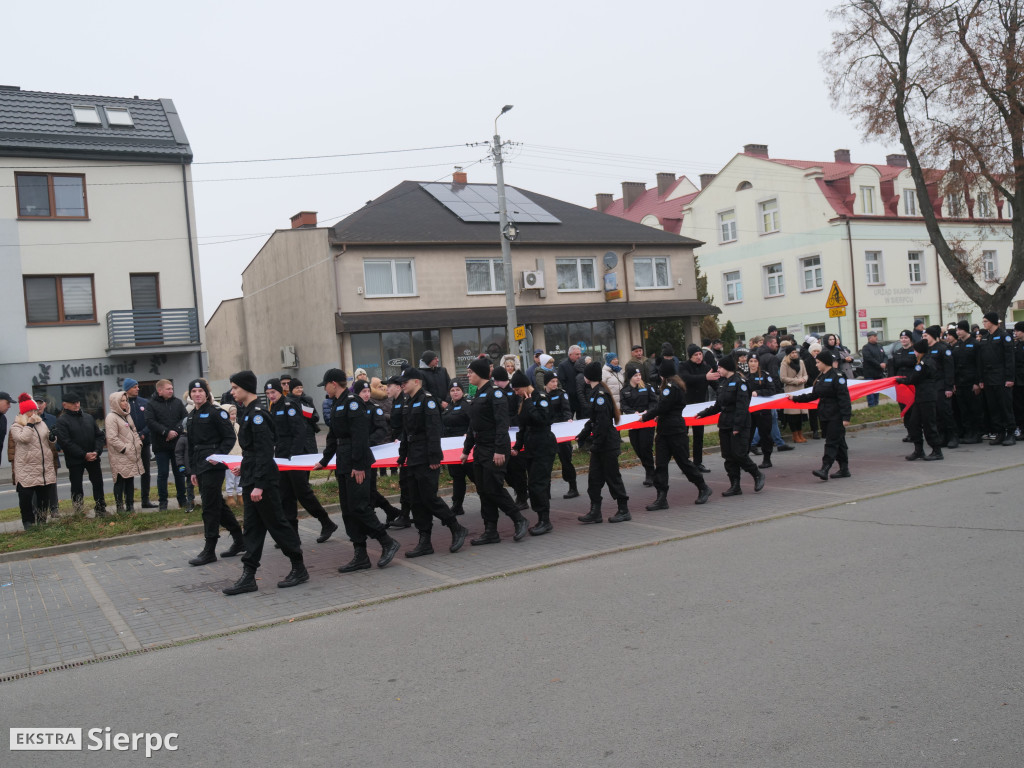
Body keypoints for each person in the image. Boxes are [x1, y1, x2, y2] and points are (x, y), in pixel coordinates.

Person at [222, 370, 310, 595]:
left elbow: (264, 452)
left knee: (278, 525)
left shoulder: (258, 415)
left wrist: (259, 484)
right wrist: (245, 467)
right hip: (253, 476)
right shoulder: (248, 412)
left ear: (246, 389)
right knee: (252, 528)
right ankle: (249, 576)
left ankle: (299, 568)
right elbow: (253, 452)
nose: (232, 392)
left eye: (235, 388)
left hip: (263, 481)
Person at [314, 368, 401, 572]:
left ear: (333, 383)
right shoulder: (338, 403)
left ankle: (387, 541)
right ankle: (360, 555)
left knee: (360, 507)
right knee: (348, 510)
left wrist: (359, 465)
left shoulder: (352, 402)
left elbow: (360, 436)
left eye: (325, 385)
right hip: (345, 462)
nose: (324, 389)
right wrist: (324, 460)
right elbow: (333, 436)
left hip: (356, 462)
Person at [397, 368, 468, 557]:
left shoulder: (427, 400)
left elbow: (434, 430)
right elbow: (406, 432)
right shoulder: (408, 401)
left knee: (429, 497)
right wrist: (402, 455)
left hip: (426, 456)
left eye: (406, 381)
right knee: (416, 501)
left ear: (417, 382)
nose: (402, 384)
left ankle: (456, 527)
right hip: (413, 456)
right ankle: (424, 541)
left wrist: (435, 457)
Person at [459, 357, 529, 545]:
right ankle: (490, 530)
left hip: (495, 448)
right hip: (481, 448)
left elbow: (502, 424)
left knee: (493, 487)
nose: (468, 375)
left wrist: (499, 450)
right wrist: (466, 450)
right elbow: (473, 426)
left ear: (480, 374)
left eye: (471, 372)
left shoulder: (495, 394)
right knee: (483, 489)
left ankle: (519, 519)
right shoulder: (478, 394)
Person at [265, 378, 338, 545]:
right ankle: (292, 535)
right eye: (268, 393)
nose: (271, 396)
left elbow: (299, 432)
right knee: (286, 495)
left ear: (280, 391)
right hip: (282, 457)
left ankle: (326, 522)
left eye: (273, 392)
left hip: (294, 456)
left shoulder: (289, 406)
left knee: (302, 493)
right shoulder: (273, 407)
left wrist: (294, 457)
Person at [181, 379, 245, 565]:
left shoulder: (216, 413)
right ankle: (240, 540)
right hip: (200, 464)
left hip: (213, 465)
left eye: (201, 391)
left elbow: (230, 437)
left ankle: (209, 550)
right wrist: (192, 470)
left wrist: (219, 457)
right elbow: (191, 446)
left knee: (209, 506)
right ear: (190, 395)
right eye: (194, 391)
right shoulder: (192, 416)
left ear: (207, 393)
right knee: (217, 503)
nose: (197, 394)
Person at [642, 359, 712, 509]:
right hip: (665, 431)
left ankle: (703, 487)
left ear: (663, 374)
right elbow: (666, 408)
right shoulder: (673, 385)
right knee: (660, 465)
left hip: (674, 431)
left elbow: (663, 406)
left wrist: (646, 416)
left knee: (684, 462)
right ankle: (661, 497)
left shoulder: (670, 387)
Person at [697, 357, 766, 496]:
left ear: (726, 368)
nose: (718, 370)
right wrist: (703, 413)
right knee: (728, 456)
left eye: (720, 367)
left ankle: (757, 474)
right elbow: (718, 405)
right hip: (725, 424)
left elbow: (742, 406)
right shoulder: (723, 383)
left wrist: (737, 427)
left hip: (739, 424)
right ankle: (735, 485)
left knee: (739, 454)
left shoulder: (740, 383)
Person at [575, 362, 630, 524]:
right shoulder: (596, 392)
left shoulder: (599, 395)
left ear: (587, 377)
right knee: (594, 479)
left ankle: (623, 510)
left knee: (613, 478)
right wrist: (583, 434)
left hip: (606, 444)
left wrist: (596, 445)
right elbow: (594, 421)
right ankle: (595, 512)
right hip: (601, 444)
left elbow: (603, 424)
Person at [791, 351, 852, 481]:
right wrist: (795, 398)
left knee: (831, 443)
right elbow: (813, 395)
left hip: (837, 416)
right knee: (839, 443)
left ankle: (825, 469)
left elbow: (844, 398)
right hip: (825, 415)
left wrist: (846, 417)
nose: (816, 364)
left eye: (818, 362)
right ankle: (844, 469)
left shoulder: (838, 376)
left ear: (825, 362)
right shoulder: (821, 377)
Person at [510, 370, 557, 535]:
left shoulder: (540, 398)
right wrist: (517, 446)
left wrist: (529, 405)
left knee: (539, 485)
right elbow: (522, 427)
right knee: (533, 485)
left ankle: (545, 520)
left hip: (543, 446)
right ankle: (541, 518)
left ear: (524, 386)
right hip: (531, 448)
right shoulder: (523, 400)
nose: (516, 393)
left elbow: (542, 420)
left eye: (517, 390)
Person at [10, 394, 58, 528]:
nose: (34, 413)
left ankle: (42, 521)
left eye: (35, 410)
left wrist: (52, 437)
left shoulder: (41, 423)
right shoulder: (16, 425)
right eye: (31, 411)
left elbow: (49, 440)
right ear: (24, 412)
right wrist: (30, 425)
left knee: (43, 497)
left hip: (43, 467)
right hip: (26, 467)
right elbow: (23, 438)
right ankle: (28, 523)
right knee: (26, 498)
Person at [55, 392, 106, 516]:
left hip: (93, 456)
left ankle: (100, 508)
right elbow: (65, 443)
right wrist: (84, 454)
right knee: (77, 486)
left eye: (78, 402)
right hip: (75, 460)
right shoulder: (62, 421)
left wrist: (96, 451)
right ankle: (79, 511)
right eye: (73, 403)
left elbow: (99, 436)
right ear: (65, 405)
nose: (77, 405)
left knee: (98, 483)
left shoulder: (88, 417)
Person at [145, 379, 189, 510]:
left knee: (180, 472)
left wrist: (176, 430)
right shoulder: (151, 405)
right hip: (160, 446)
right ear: (160, 390)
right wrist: (165, 432)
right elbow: (150, 421)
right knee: (162, 474)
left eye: (172, 389)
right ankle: (163, 502)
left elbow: (185, 418)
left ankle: (182, 499)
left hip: (177, 445)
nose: (171, 391)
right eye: (168, 389)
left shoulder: (177, 403)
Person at [898, 340, 944, 461]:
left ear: (920, 351)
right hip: (921, 397)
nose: (914, 352)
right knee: (914, 423)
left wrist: (901, 380)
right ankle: (919, 450)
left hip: (927, 397)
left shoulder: (924, 363)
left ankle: (937, 451)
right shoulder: (925, 361)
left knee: (929, 425)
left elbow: (914, 378)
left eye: (915, 350)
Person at [678, 344, 721, 472]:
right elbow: (686, 379)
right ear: (690, 356)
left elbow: (715, 384)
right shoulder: (683, 366)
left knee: (699, 435)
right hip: (685, 406)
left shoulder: (706, 367)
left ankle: (698, 463)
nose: (698, 357)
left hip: (700, 407)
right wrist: (704, 377)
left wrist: (724, 393)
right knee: (683, 436)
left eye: (700, 354)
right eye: (695, 355)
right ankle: (684, 462)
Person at [977, 311, 1016, 446]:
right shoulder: (985, 338)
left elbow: (1010, 359)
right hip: (988, 378)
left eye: (985, 321)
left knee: (1005, 406)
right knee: (993, 407)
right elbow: (981, 360)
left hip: (1001, 377)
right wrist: (981, 379)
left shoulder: (1004, 336)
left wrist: (1010, 378)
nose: (984, 324)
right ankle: (999, 432)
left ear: (992, 322)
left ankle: (1010, 433)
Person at [105, 390, 144, 515]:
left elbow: (134, 431)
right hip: (120, 455)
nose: (125, 403)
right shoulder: (111, 417)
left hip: (131, 454)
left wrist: (138, 444)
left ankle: (130, 506)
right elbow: (112, 438)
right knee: (120, 482)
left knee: (130, 481)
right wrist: (125, 449)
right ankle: (120, 507)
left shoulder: (127, 415)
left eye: (126, 400)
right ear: (115, 402)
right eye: (122, 401)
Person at [544, 371, 579, 498]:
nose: (555, 384)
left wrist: (568, 419)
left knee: (566, 460)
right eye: (552, 381)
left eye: (556, 381)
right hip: (548, 433)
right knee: (546, 463)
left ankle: (573, 487)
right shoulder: (540, 395)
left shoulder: (561, 394)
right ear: (546, 383)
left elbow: (566, 410)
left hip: (562, 433)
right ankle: (546, 491)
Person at [620, 369, 656, 486]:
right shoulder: (624, 391)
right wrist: (632, 412)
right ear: (630, 377)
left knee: (646, 447)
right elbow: (623, 405)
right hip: (633, 422)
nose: (638, 377)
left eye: (640, 375)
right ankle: (649, 469)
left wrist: (648, 411)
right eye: (635, 375)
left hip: (647, 420)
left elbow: (654, 401)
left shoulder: (647, 387)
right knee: (637, 447)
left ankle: (651, 473)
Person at [441, 380, 473, 516]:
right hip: (452, 448)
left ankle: (490, 500)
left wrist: (468, 433)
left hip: (465, 447)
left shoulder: (466, 406)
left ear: (462, 391)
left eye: (458, 390)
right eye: (452, 391)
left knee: (475, 476)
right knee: (457, 477)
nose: (455, 393)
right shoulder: (448, 407)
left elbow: (473, 423)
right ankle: (457, 505)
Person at [923, 325, 957, 448]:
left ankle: (952, 436)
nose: (924, 338)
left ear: (933, 336)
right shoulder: (925, 349)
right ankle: (941, 436)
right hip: (931, 385)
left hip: (942, 384)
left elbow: (949, 369)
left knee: (945, 411)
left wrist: (949, 386)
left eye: (926, 335)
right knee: (935, 412)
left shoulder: (943, 348)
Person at [123, 378, 155, 508]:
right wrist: (132, 436)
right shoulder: (123, 403)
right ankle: (129, 503)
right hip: (129, 444)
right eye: (134, 387)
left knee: (145, 472)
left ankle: (145, 500)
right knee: (129, 473)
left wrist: (143, 433)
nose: (138, 388)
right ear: (127, 389)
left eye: (137, 386)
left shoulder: (144, 403)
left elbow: (150, 421)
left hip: (144, 442)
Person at [951, 321, 984, 444]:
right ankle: (968, 432)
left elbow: (979, 364)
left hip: (971, 382)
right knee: (963, 409)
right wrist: (953, 382)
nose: (958, 332)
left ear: (966, 330)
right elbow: (953, 365)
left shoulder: (975, 344)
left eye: (960, 330)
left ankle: (977, 433)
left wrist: (977, 382)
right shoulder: (957, 345)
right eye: (957, 330)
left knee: (974, 409)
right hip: (960, 382)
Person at [746, 356, 775, 468]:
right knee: (747, 435)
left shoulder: (764, 375)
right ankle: (746, 460)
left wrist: (758, 392)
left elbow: (772, 390)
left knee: (765, 435)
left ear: (759, 363)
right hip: (749, 411)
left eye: (755, 361)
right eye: (751, 361)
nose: (753, 363)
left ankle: (767, 459)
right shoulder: (744, 376)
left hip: (763, 411)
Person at [890, 330, 918, 442]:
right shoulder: (897, 352)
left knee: (914, 409)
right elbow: (893, 369)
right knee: (905, 409)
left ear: (910, 339)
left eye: (906, 338)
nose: (903, 340)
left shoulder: (915, 351)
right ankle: (910, 432)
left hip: (912, 383)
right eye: (902, 338)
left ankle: (917, 432)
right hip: (901, 385)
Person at [779, 345, 809, 441]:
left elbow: (805, 374)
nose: (795, 354)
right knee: (793, 416)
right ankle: (795, 435)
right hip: (791, 390)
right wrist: (796, 381)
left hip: (801, 390)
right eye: (792, 352)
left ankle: (800, 434)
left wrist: (804, 379)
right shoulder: (784, 363)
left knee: (800, 415)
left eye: (796, 352)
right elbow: (783, 378)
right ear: (788, 354)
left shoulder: (801, 362)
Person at [556, 345, 585, 417]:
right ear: (570, 355)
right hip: (569, 400)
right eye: (577, 354)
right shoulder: (562, 365)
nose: (579, 356)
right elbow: (561, 382)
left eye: (580, 354)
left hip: (580, 399)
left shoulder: (582, 364)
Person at [223, 404, 243, 506]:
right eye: (231, 414)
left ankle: (240, 494)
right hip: (229, 455)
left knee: (239, 476)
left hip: (238, 455)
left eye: (235, 414)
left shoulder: (237, 425)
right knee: (230, 477)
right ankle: (230, 495)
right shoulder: (224, 426)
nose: (234, 416)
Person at [861, 332, 888, 407]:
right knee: (870, 390)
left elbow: (885, 356)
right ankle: (871, 405)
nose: (877, 337)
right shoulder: (866, 347)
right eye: (875, 336)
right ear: (869, 338)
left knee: (877, 389)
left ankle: (876, 404)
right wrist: (879, 364)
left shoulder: (879, 346)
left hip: (878, 372)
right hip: (869, 373)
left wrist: (884, 363)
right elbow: (869, 358)